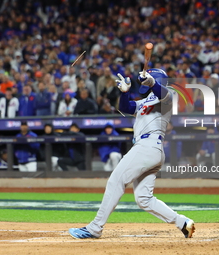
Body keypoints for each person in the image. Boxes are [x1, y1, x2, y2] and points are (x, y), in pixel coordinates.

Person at [69, 68, 195, 239]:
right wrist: (125, 93)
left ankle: (95, 228)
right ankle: (182, 222)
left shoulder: (168, 96)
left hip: (148, 146)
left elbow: (163, 93)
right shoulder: (145, 102)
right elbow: (126, 107)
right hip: (149, 150)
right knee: (144, 199)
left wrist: (152, 82)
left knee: (115, 181)